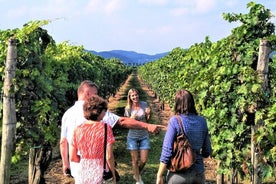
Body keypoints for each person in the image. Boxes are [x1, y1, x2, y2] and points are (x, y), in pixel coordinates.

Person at [60, 80, 163, 180]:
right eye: (95, 94)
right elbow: (121, 121)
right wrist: (147, 126)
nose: (97, 97)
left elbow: (63, 142)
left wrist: (65, 164)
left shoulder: (67, 114)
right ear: (87, 94)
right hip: (97, 169)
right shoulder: (96, 111)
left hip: (77, 169)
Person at [156, 89, 212, 184]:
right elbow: (207, 151)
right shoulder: (202, 121)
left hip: (178, 174)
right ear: (192, 103)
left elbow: (167, 151)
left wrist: (159, 175)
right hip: (198, 174)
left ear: (177, 104)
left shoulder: (174, 121)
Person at [70, 95, 116, 184]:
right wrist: (113, 175)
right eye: (104, 110)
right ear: (98, 111)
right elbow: (109, 156)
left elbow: (73, 157)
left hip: (82, 173)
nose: (105, 112)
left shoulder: (77, 129)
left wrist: (87, 160)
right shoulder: (106, 128)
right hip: (100, 172)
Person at [124, 88, 151, 184]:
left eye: (136, 95)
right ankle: (138, 180)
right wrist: (131, 119)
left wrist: (148, 114)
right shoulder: (127, 108)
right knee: (134, 160)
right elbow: (126, 124)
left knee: (144, 160)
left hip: (144, 135)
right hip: (132, 136)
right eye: (133, 96)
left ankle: (136, 173)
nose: (135, 97)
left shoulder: (144, 104)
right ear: (130, 98)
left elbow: (147, 121)